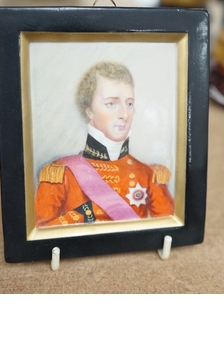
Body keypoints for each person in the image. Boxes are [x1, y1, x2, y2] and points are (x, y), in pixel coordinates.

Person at [35, 61, 174, 227]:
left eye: (129, 104)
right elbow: (41, 232)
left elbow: (169, 227)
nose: (124, 114)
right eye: (111, 104)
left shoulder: (148, 174)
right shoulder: (61, 173)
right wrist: (84, 214)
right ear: (89, 110)